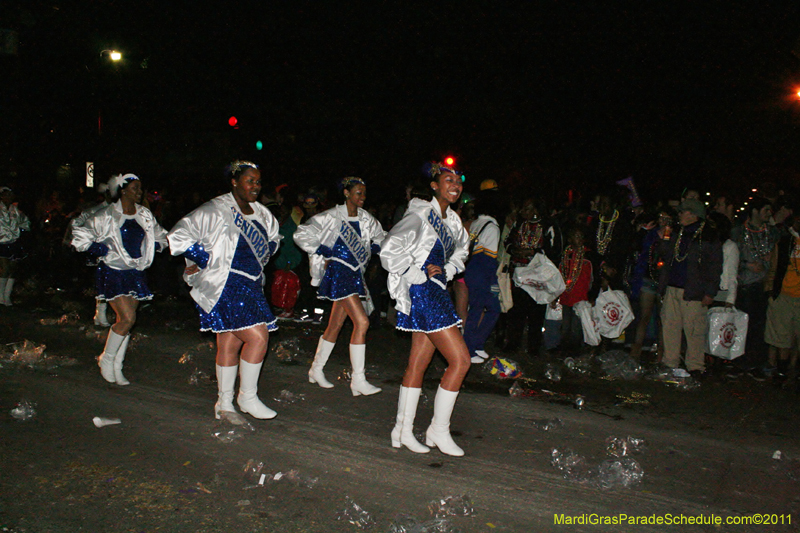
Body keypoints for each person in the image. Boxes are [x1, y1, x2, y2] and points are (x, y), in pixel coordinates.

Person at [168, 161, 282, 420]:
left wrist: (270, 248)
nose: (255, 186)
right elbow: (178, 234)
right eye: (249, 181)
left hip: (252, 283)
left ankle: (224, 403)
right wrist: (201, 257)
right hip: (225, 284)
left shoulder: (262, 212)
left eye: (258, 181)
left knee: (229, 342)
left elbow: (274, 238)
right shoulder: (216, 209)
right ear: (234, 181)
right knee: (258, 337)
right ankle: (247, 397)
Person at [380, 162, 471, 457]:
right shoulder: (420, 213)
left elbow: (462, 251)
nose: (455, 184)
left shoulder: (453, 221)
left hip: (436, 290)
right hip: (424, 293)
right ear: (434, 185)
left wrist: (446, 268)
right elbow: (390, 248)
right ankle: (437, 430)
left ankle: (402, 430)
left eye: (458, 180)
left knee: (417, 364)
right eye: (448, 179)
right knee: (461, 361)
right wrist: (417, 274)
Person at [71, 174, 168, 385]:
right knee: (127, 319)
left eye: (140, 188)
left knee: (127, 320)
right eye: (135, 188)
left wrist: (157, 245)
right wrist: (99, 248)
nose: (139, 192)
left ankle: (117, 364)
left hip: (136, 271)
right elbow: (79, 236)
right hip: (113, 269)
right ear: (123, 190)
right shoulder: (106, 214)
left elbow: (160, 235)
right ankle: (106, 359)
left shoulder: (144, 214)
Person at [294, 176, 387, 395]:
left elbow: (382, 236)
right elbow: (301, 233)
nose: (362, 197)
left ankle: (316, 369)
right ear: (346, 193)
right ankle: (358, 380)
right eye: (358, 193)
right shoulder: (330, 216)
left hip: (355, 273)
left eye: (364, 193)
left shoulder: (366, 219)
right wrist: (320, 248)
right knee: (362, 322)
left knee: (335, 325)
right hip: (338, 272)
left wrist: (375, 246)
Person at [657, 198, 723, 378]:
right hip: (672, 288)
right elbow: (665, 255)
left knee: (694, 330)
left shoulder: (709, 235)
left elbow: (715, 266)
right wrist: (663, 240)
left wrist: (710, 292)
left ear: (693, 214)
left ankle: (695, 366)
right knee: (670, 326)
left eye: (682, 212)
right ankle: (670, 362)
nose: (679, 215)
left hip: (694, 291)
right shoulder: (677, 232)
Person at [464, 189, 503, 364]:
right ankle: (469, 349)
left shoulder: (476, 224)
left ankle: (476, 345)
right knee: (483, 309)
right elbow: (489, 258)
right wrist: (492, 281)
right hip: (483, 271)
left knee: (483, 308)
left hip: (472, 270)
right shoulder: (492, 227)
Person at [69, 182, 114, 325]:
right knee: (102, 281)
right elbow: (76, 223)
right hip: (101, 252)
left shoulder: (121, 210)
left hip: (117, 253)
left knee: (112, 283)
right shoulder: (95, 211)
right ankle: (100, 313)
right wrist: (90, 242)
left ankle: (104, 313)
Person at [0, 186, 31, 306]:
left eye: (10, 195)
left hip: (13, 242)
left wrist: (21, 229)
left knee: (12, 270)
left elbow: (25, 222)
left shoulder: (15, 210)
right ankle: (0, 296)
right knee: (5, 268)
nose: (8, 197)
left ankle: (7, 296)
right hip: (1, 242)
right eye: (6, 195)